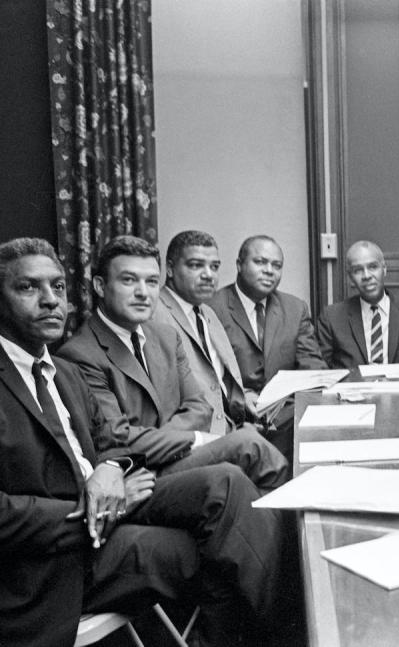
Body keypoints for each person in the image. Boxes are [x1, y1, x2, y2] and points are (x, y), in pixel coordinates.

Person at [0, 237, 284, 647]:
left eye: (58, 287)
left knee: (228, 510)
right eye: (28, 288)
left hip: (115, 511)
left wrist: (111, 470)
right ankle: (287, 627)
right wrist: (97, 511)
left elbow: (110, 446)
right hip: (50, 561)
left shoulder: (62, 372)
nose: (50, 301)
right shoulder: (77, 358)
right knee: (219, 542)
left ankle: (270, 627)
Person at [58, 236, 287, 489]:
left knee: (255, 456)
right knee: (249, 445)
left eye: (151, 282)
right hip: (140, 475)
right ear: (100, 286)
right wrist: (196, 439)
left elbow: (199, 405)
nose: (143, 293)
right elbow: (117, 438)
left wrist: (168, 441)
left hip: (177, 456)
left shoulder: (165, 336)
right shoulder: (78, 354)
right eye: (129, 280)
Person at [154, 231, 258, 435]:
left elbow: (214, 377)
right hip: (192, 435)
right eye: (195, 265)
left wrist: (244, 396)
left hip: (232, 424)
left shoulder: (207, 312)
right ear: (170, 269)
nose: (208, 275)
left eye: (214, 267)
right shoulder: (154, 312)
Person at [209, 235, 327, 393]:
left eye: (277, 265)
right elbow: (207, 377)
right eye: (260, 262)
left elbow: (312, 367)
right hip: (233, 411)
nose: (269, 271)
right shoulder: (212, 308)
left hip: (285, 410)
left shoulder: (295, 309)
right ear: (239, 265)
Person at [316, 240, 399, 368]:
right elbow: (322, 370)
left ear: (384, 269)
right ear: (350, 276)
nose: (366, 275)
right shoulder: (332, 318)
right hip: (354, 386)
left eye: (373, 267)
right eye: (358, 270)